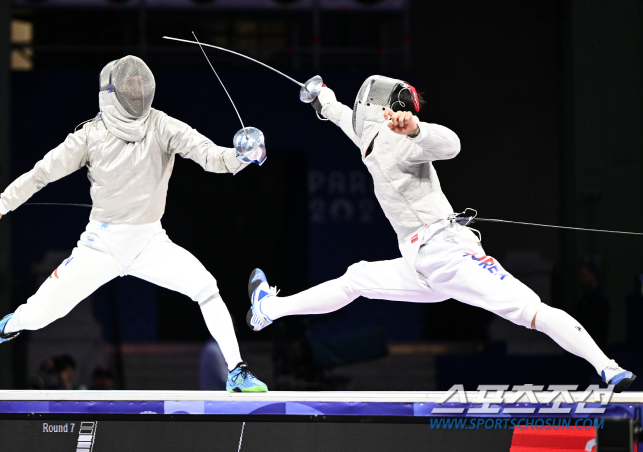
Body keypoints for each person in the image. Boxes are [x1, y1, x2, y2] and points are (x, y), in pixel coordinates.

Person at [246, 75, 635, 392]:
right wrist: (322, 97)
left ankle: (607, 367)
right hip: (421, 265)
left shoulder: (401, 140)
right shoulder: (368, 138)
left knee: (531, 310)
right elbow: (341, 115)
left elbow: (452, 144)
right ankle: (268, 309)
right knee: (357, 277)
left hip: (448, 253)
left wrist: (416, 129)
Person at [0, 55, 267, 393]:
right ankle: (5, 328)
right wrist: (2, 204)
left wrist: (242, 156)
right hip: (100, 245)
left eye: (140, 84)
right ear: (112, 91)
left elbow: (211, 156)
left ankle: (237, 371)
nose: (136, 91)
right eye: (129, 85)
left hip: (151, 242)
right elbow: (42, 173)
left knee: (206, 288)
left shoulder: (163, 125)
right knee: (39, 314)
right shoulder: (89, 136)